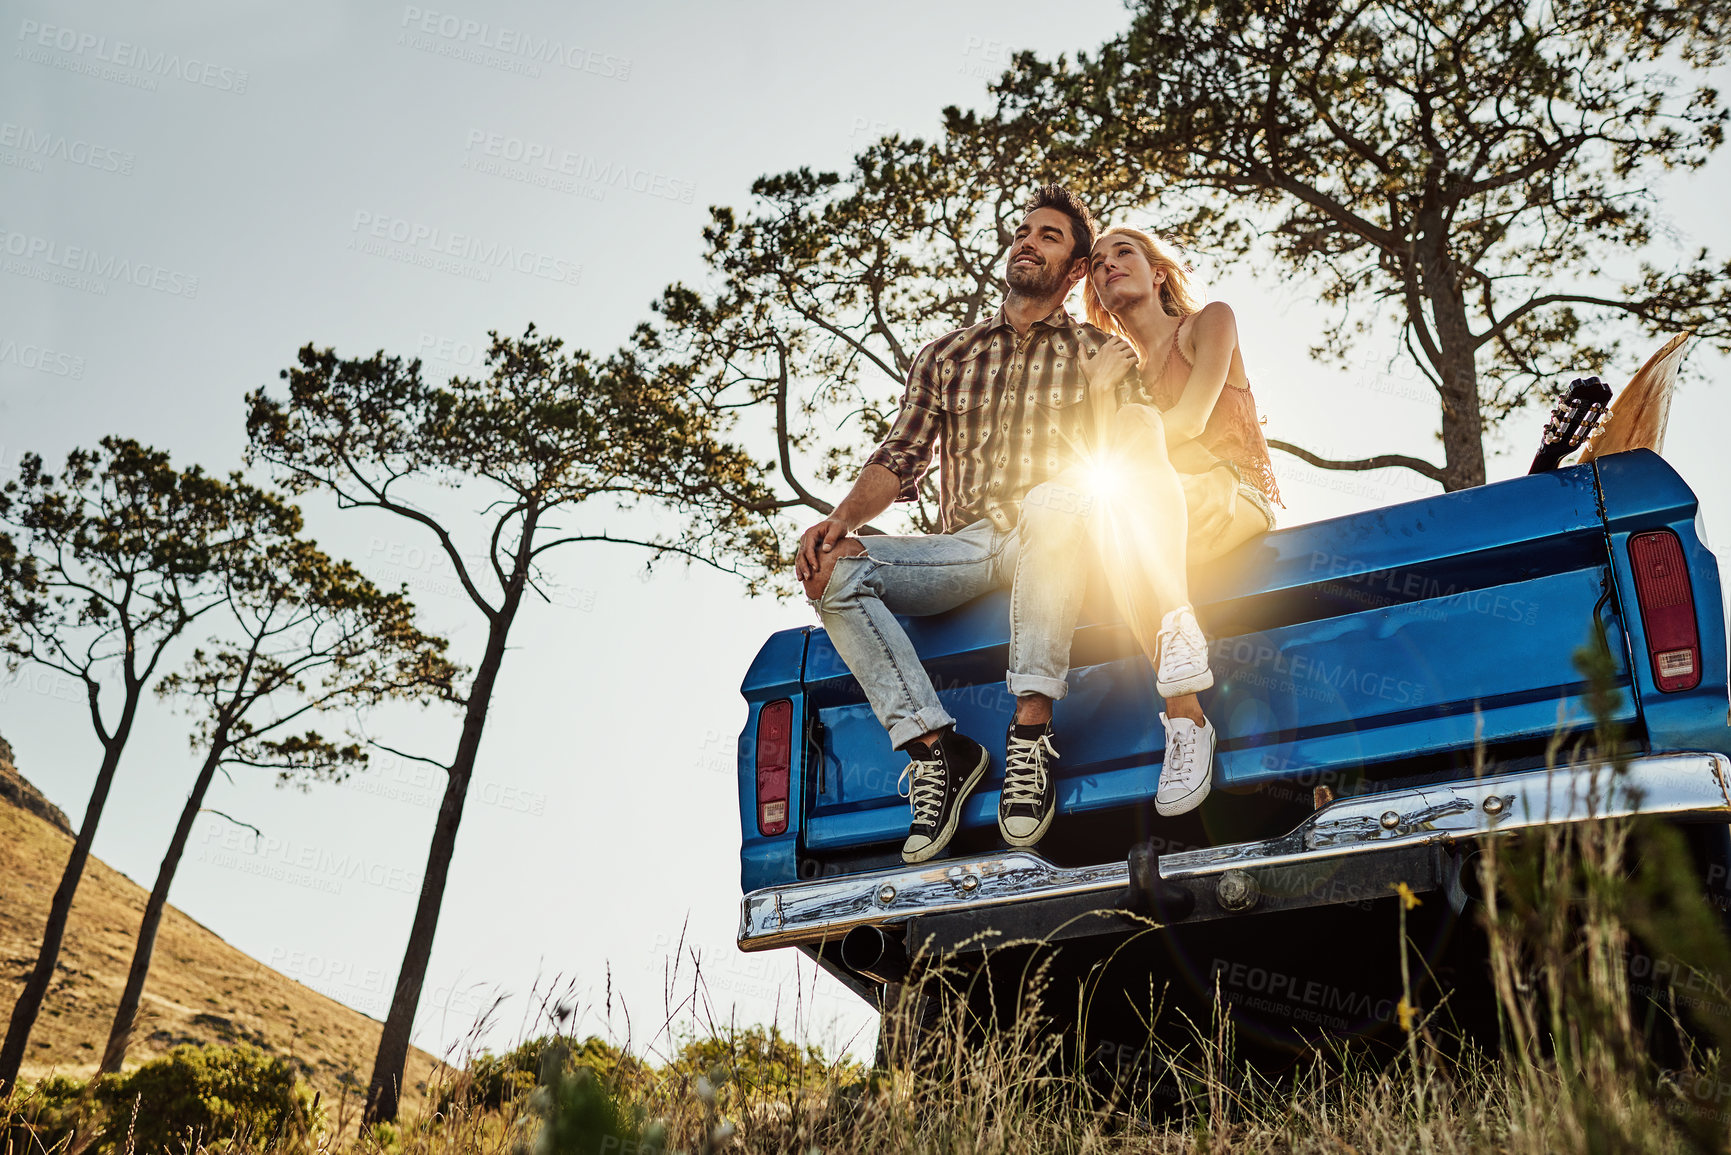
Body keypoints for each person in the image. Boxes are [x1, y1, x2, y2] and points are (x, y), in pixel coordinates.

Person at [796, 184, 1114, 864]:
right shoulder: (947, 355)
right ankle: (936, 750)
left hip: (1055, 536)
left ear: (1077, 269)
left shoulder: (1097, 352)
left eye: (1049, 236)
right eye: (1023, 231)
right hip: (967, 545)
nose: (1027, 241)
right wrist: (840, 520)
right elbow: (900, 454)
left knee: (1054, 502)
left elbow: (1126, 455)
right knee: (833, 568)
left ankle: (1028, 735)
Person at [1078, 227, 1282, 816]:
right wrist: (1097, 392)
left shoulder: (1208, 322)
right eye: (1096, 263)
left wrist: (1126, 431)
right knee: (1107, 522)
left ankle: (1178, 643)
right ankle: (1186, 720)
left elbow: (1190, 421)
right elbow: (1104, 469)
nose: (1108, 264)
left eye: (1124, 253)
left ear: (1157, 273)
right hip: (1161, 523)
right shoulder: (1121, 377)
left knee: (1129, 453)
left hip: (1233, 495)